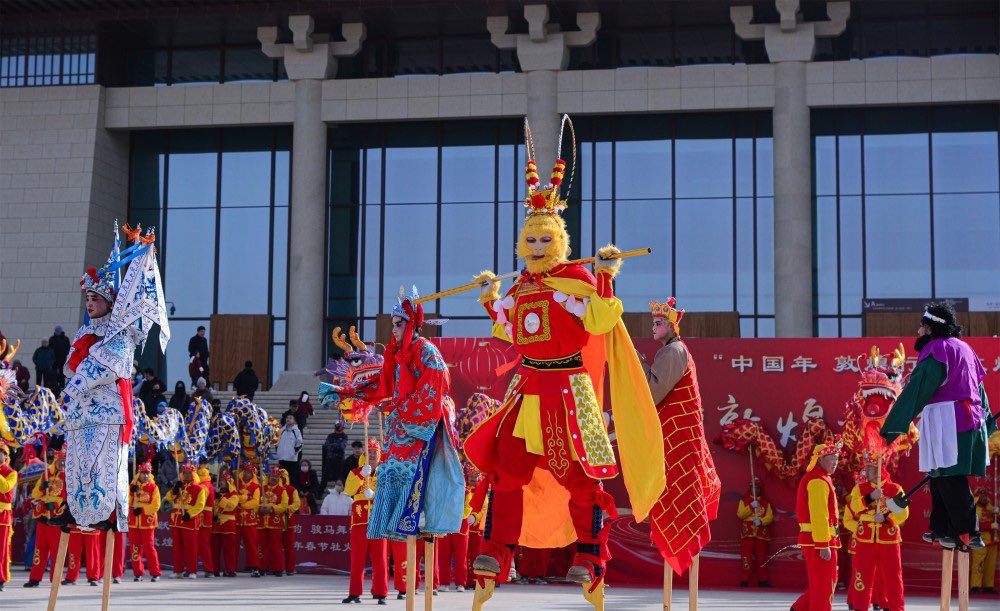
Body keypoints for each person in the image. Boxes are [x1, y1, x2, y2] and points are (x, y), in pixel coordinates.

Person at [465, 123, 663, 588]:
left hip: (570, 390)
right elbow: (510, 330)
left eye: (545, 240)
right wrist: (492, 296)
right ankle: (497, 550)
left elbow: (599, 322)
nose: (537, 248)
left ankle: (591, 555)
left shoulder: (575, 281)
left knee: (581, 477)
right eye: (530, 241)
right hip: (530, 388)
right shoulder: (523, 288)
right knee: (508, 469)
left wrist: (608, 277)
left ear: (560, 241)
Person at [60, 226, 169, 533]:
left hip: (107, 411)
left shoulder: (120, 332)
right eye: (88, 297)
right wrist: (77, 375)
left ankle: (107, 515)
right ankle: (75, 510)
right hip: (81, 413)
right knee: (78, 464)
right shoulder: (84, 332)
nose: (90, 303)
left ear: (109, 302)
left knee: (103, 463)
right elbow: (70, 366)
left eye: (96, 298)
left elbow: (110, 365)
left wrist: (79, 380)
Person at [881, 302, 996, 551]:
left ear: (931, 328)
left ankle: (968, 532)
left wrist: (892, 426)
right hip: (967, 418)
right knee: (939, 475)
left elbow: (917, 390)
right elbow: (981, 391)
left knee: (950, 476)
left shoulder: (937, 349)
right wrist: (987, 422)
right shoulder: (965, 349)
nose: (919, 331)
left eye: (922, 326)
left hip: (949, 419)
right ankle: (942, 528)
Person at [366, 285, 464, 544]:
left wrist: (403, 408)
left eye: (399, 324)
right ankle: (398, 520)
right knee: (392, 470)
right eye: (393, 324)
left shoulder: (426, 350)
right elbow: (389, 385)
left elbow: (436, 384)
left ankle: (420, 517)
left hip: (422, 421)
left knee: (419, 472)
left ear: (410, 325)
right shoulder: (400, 354)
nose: (394, 329)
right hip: (402, 422)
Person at [641, 296, 721, 576]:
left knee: (678, 494)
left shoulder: (673, 352)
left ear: (673, 327)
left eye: (659, 323)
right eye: (653, 322)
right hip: (677, 437)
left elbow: (652, 391)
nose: (654, 327)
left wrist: (635, 363)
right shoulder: (672, 350)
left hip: (678, 440)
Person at [848, 454, 907, 611]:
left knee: (893, 578)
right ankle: (860, 607)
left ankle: (897, 608)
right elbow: (854, 507)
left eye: (870, 469)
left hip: (889, 541)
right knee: (862, 576)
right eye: (866, 468)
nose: (866, 472)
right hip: (865, 539)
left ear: (880, 470)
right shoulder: (859, 489)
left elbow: (904, 513)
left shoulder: (894, 488)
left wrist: (887, 517)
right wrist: (869, 498)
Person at [791, 441, 842, 611]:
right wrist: (823, 544)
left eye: (836, 458)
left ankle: (799, 608)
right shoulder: (817, 481)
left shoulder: (821, 479)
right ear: (820, 459)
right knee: (824, 587)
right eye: (831, 458)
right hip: (818, 542)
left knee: (822, 584)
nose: (835, 462)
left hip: (821, 540)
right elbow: (819, 515)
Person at [342, 439, 389, 604]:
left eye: (375, 452)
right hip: (359, 521)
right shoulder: (355, 472)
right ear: (365, 455)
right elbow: (348, 491)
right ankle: (355, 593)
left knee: (380, 559)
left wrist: (376, 495)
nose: (373, 455)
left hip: (378, 520)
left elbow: (390, 496)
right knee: (357, 559)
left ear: (379, 454)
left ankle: (381, 592)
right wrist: (362, 475)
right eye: (369, 452)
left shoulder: (385, 473)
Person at [24, 450, 68, 588]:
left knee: (56, 550)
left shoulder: (68, 476)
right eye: (60, 460)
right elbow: (35, 493)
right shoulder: (46, 475)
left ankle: (56, 579)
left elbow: (68, 498)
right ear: (55, 461)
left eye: (64, 460)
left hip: (56, 517)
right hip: (43, 516)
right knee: (40, 549)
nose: (62, 463)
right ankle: (35, 578)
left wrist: (55, 504)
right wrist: (43, 487)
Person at [165, 463, 208, 579]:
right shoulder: (179, 486)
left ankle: (192, 570)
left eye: (189, 473)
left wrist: (189, 514)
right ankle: (177, 570)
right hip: (176, 519)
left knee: (191, 547)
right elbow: (168, 498)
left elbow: (200, 505)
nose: (187, 475)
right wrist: (174, 489)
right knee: (177, 547)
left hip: (189, 520)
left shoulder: (199, 489)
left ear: (193, 474)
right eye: (185, 473)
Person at [128, 461, 162, 582]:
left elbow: (156, 505)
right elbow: (126, 500)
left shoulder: (153, 487)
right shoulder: (132, 485)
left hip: (147, 521)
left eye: (147, 473)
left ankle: (155, 572)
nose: (145, 476)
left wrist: (142, 510)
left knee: (149, 547)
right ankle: (138, 573)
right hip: (133, 521)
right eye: (143, 473)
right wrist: (132, 492)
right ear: (139, 473)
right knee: (135, 548)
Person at [737, 477, 773, 588]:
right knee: (746, 558)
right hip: (747, 534)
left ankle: (763, 580)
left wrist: (761, 521)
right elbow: (740, 514)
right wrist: (750, 507)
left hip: (761, 533)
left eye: (757, 487)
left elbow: (770, 517)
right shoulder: (743, 502)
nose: (755, 490)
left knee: (761, 558)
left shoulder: (766, 503)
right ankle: (744, 579)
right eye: (753, 487)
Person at [258, 466, 288, 577]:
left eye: (276, 476)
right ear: (269, 476)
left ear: (279, 477)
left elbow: (284, 506)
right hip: (262, 522)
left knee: (276, 547)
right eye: (272, 476)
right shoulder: (262, 488)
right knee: (261, 547)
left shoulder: (282, 491)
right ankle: (261, 567)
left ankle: (278, 568)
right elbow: (256, 502)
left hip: (275, 522)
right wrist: (259, 508)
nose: (274, 478)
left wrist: (271, 508)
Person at [211, 468, 240, 578]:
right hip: (216, 523)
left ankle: (230, 570)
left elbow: (231, 506)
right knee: (215, 549)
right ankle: (215, 570)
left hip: (228, 523)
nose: (220, 484)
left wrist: (220, 498)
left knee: (229, 549)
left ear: (228, 484)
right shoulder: (216, 494)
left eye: (222, 482)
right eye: (219, 482)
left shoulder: (234, 495)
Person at [236, 462, 262, 577]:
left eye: (249, 472)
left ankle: (254, 567)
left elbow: (255, 502)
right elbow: (233, 496)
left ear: (253, 474)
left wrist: (242, 505)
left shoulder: (256, 487)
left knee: (251, 544)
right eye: (245, 471)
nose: (247, 474)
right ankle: (231, 567)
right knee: (233, 544)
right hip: (236, 518)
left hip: (250, 519)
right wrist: (244, 499)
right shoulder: (236, 483)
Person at [971, 487, 998, 593]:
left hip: (992, 541)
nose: (984, 497)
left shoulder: (990, 507)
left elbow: (997, 520)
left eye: (985, 495)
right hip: (979, 540)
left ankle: (988, 586)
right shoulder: (974, 508)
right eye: (981, 494)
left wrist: (998, 513)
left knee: (990, 566)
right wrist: (991, 525)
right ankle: (975, 586)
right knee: (978, 564)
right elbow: (975, 525)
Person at [0, 441, 18, 592]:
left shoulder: (12, 473)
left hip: (3, 517)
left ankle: (1, 580)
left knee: (1, 550)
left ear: (6, 455)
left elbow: (5, 487)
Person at [196, 464, 216, 578]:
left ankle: (209, 569)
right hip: (202, 515)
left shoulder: (204, 486)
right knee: (196, 544)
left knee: (203, 544)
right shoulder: (206, 484)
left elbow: (199, 500)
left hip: (203, 516)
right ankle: (192, 567)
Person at [280, 468, 300, 576]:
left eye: (283, 477)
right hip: (275, 519)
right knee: (275, 545)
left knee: (289, 545)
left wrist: (287, 508)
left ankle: (290, 568)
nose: (280, 479)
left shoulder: (292, 489)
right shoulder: (272, 488)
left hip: (288, 518)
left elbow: (297, 503)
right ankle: (276, 567)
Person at [276, 414, 303, 487]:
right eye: (287, 418)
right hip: (282, 458)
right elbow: (276, 442)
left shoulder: (297, 431)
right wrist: (278, 451)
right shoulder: (281, 430)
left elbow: (300, 444)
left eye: (291, 418)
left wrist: (294, 453)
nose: (288, 419)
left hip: (292, 460)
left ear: (294, 421)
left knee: (291, 478)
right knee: (281, 477)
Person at [321, 421, 349, 488]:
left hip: (339, 460)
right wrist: (337, 445)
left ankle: (339, 491)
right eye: (338, 425)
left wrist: (333, 445)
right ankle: (319, 493)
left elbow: (342, 446)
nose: (339, 427)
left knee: (339, 477)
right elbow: (327, 445)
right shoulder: (330, 436)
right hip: (330, 458)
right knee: (325, 477)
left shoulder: (344, 436)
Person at [49, 325, 71, 390]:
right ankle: (53, 386)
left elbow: (68, 348)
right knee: (53, 373)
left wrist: (65, 353)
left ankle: (62, 386)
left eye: (58, 331)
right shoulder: (52, 339)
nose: (57, 332)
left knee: (62, 373)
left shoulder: (66, 339)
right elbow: (49, 349)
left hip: (62, 359)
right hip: (54, 360)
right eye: (56, 331)